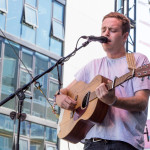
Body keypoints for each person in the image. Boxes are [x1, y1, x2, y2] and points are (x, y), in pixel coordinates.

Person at [55, 12, 150, 150]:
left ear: (125, 36)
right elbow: (64, 91)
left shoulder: (138, 61)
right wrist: (59, 98)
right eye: (103, 29)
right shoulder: (92, 66)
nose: (106, 34)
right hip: (92, 143)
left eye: (112, 30)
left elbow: (141, 102)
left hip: (124, 143)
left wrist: (114, 101)